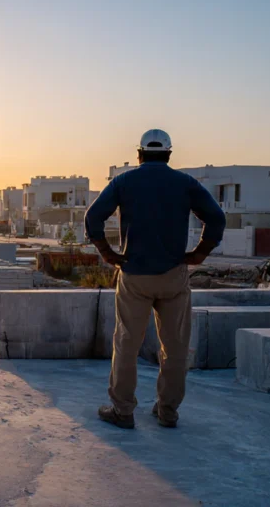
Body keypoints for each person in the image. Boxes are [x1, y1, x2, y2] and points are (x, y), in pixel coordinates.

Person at [84, 129, 225, 429]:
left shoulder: (124, 181)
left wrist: (106, 251)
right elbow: (216, 218)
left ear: (139, 154)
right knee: (174, 348)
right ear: (169, 154)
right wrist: (200, 252)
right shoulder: (185, 183)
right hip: (173, 275)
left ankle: (123, 411)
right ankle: (168, 412)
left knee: (127, 344)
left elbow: (93, 217)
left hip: (134, 275)